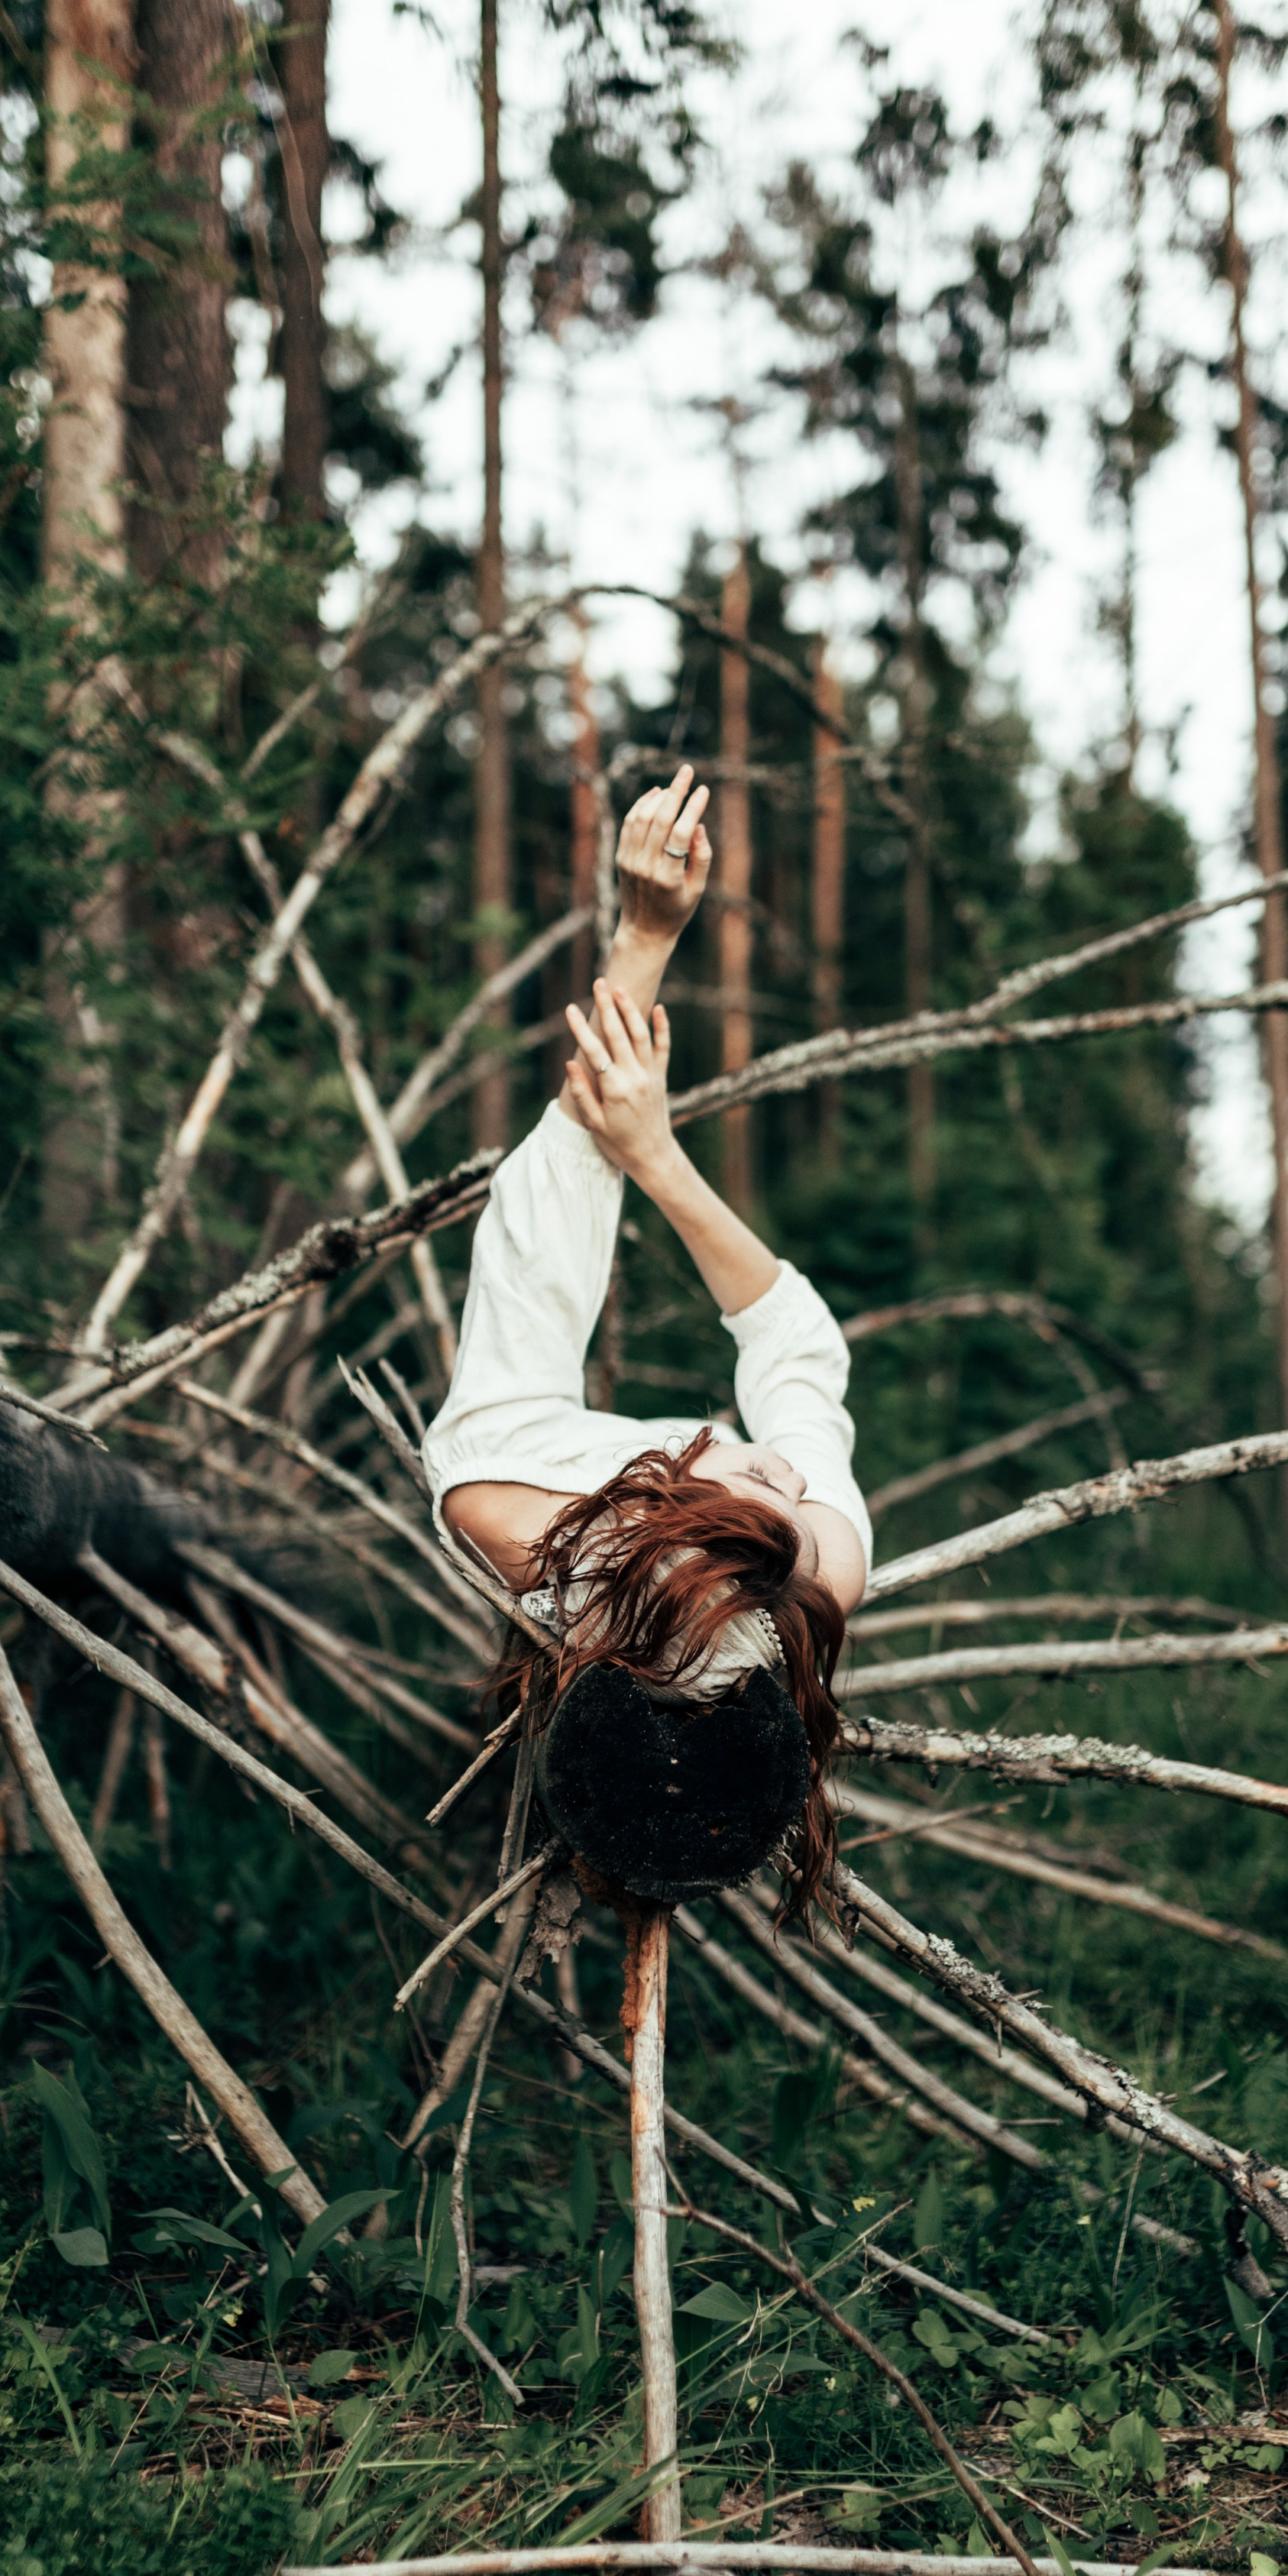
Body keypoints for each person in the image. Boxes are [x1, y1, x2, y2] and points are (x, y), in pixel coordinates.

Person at [422, 765, 869, 1913]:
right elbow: (799, 1352)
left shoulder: (502, 1502)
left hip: (562, 1503)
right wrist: (658, 1157)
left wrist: (645, 937)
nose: (745, 1458)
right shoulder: (818, 1572)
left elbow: (541, 1241)